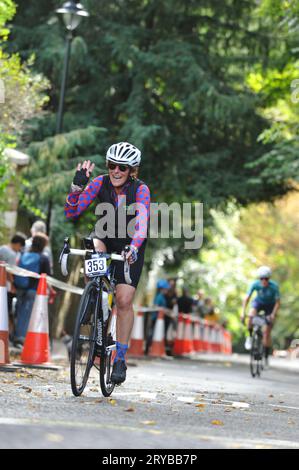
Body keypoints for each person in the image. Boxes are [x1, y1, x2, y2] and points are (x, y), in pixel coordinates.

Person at [64, 142, 150, 384]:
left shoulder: (141, 190)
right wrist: (76, 187)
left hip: (130, 245)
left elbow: (142, 224)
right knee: (93, 249)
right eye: (112, 165)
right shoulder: (99, 183)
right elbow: (72, 213)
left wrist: (133, 247)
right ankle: (93, 301)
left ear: (132, 170)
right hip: (104, 236)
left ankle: (120, 359)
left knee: (123, 301)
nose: (116, 171)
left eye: (122, 167)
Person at [14, 233, 52, 345]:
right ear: (44, 245)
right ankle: (21, 338)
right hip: (33, 290)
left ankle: (16, 336)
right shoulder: (44, 258)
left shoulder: (23, 254)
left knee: (19, 312)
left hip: (20, 287)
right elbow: (46, 276)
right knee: (28, 314)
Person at [241, 265, 280, 365]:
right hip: (259, 303)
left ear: (269, 278)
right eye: (261, 278)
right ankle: (250, 337)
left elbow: (277, 302)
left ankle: (266, 356)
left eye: (266, 279)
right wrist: (243, 312)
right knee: (251, 315)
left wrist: (273, 314)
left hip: (270, 306)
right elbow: (247, 298)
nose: (264, 281)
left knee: (267, 333)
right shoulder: (255, 284)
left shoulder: (274, 287)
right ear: (259, 278)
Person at [0, 233, 26, 338]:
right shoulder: (11, 254)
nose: (19, 249)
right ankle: (8, 334)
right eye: (20, 247)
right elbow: (10, 272)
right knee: (7, 310)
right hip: (6, 286)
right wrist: (13, 285)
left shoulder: (2, 248)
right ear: (18, 244)